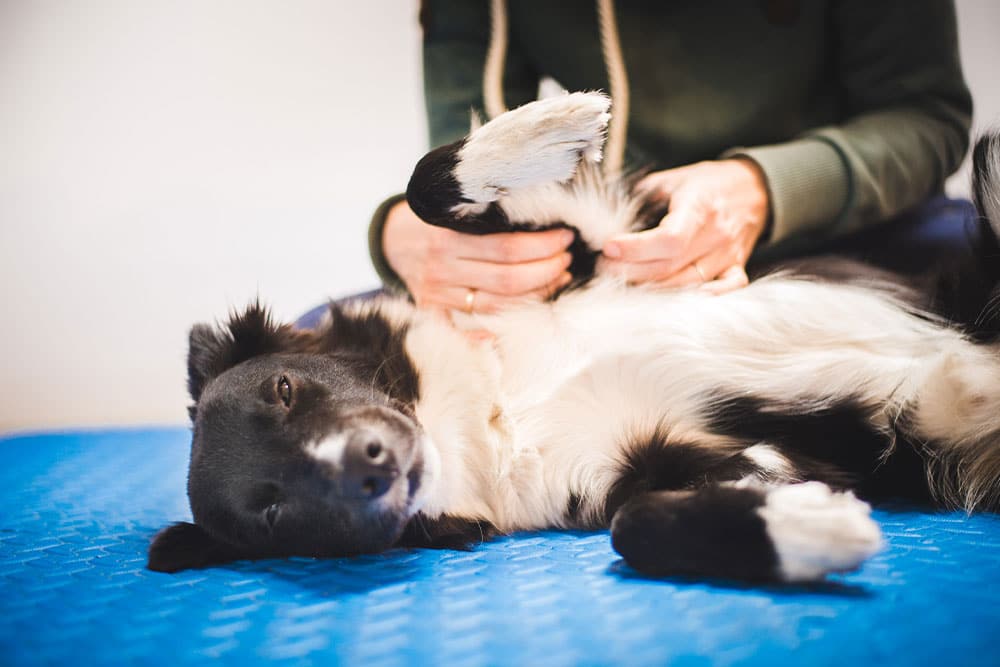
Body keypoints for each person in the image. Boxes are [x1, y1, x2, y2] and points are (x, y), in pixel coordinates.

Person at [366, 0, 972, 315]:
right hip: (621, 262)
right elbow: (474, 157)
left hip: (851, 232)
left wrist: (763, 190)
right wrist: (404, 235)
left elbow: (926, 118)